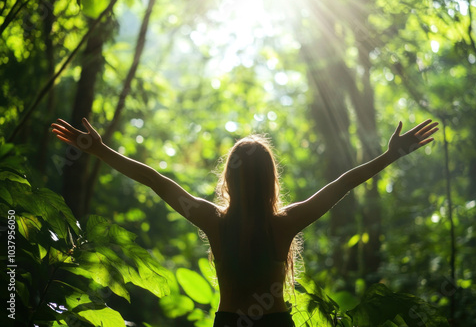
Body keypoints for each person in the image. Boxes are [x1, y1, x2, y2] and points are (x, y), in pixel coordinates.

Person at [51, 117, 439, 327]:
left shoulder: (212, 221)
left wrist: (99, 150)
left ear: (229, 180)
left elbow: (155, 180)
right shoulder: (284, 223)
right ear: (272, 180)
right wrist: (390, 156)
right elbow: (343, 183)